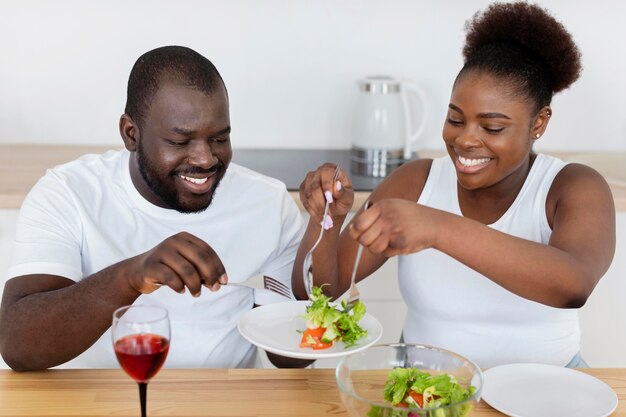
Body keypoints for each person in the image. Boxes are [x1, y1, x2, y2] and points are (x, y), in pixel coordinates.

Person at [294, 2, 616, 369]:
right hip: (423, 391)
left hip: (547, 389)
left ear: (539, 122)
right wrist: (325, 220)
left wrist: (436, 228)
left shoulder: (572, 186)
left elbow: (573, 285)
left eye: (492, 128)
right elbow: (318, 293)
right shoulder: (416, 181)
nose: (465, 140)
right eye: (455, 119)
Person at [0, 46, 308, 371]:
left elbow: (289, 357)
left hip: (220, 399)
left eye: (219, 139)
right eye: (180, 142)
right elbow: (17, 345)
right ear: (131, 134)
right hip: (95, 402)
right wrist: (129, 277)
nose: (205, 159)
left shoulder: (268, 204)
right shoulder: (68, 194)